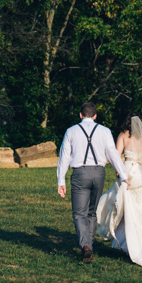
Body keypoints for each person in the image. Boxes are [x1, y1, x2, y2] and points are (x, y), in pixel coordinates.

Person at [95, 112, 142, 268]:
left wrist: (119, 171)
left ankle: (128, 244)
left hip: (129, 174)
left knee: (128, 210)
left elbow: (116, 157)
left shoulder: (123, 136)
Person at [56, 102, 129, 263]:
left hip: (80, 173)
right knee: (91, 212)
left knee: (78, 213)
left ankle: (86, 247)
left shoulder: (71, 131)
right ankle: (89, 245)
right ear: (95, 116)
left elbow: (65, 157)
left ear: (80, 115)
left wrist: (61, 180)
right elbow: (113, 154)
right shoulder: (104, 131)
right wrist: (124, 175)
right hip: (99, 173)